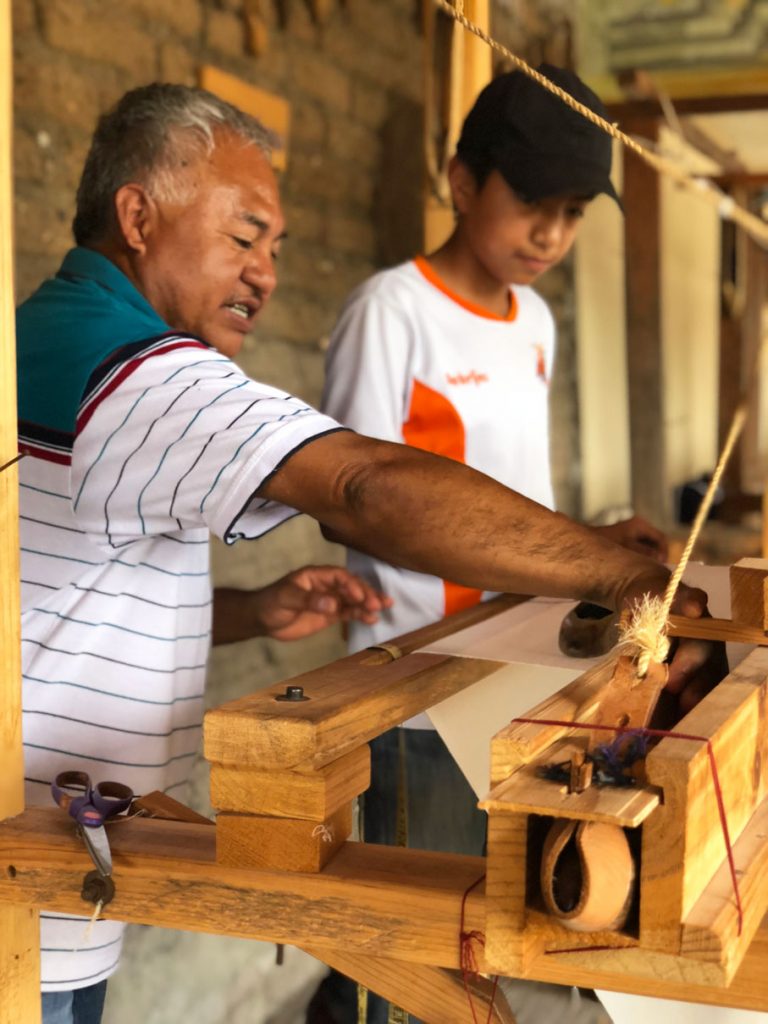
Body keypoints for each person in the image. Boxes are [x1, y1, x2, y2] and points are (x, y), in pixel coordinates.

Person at [16, 83, 718, 1024]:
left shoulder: (59, 342)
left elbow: (59, 592)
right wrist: (614, 571)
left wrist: (251, 613)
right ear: (138, 217)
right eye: (243, 237)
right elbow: (363, 488)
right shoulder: (132, 370)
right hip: (32, 883)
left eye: (275, 248)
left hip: (61, 867)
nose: (264, 273)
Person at [317, 65, 672, 1023]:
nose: (551, 234)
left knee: (500, 927)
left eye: (571, 211)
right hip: (420, 687)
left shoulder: (537, 323)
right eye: (530, 203)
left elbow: (516, 504)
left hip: (531, 673)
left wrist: (590, 543)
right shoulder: (392, 312)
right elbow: (354, 502)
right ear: (461, 181)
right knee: (415, 951)